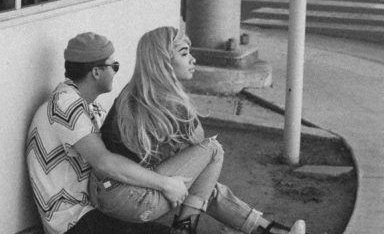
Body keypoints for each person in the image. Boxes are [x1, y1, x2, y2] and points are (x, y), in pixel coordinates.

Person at [89, 25, 307, 234]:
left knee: (201, 185)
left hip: (102, 192)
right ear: (164, 62)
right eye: (184, 54)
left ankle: (267, 230)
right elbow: (201, 146)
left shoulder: (131, 94)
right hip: (133, 200)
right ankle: (185, 226)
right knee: (213, 150)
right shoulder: (171, 103)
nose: (193, 59)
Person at [26, 32, 190, 234]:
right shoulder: (65, 105)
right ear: (96, 72)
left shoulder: (86, 107)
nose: (115, 72)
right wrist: (167, 184)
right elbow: (105, 162)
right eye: (114, 66)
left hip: (94, 211)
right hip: (75, 223)